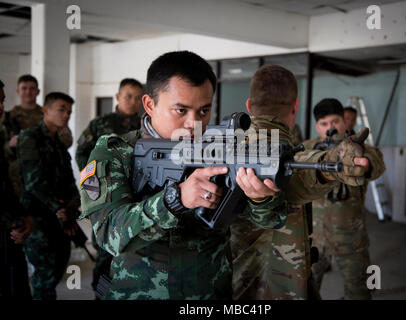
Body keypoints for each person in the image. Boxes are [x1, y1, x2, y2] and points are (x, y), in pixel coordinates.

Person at [79, 51, 289, 300]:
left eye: (203, 111)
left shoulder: (220, 148)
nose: (194, 123)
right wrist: (174, 200)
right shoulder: (116, 151)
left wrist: (260, 199)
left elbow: (270, 221)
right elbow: (107, 235)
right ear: (149, 104)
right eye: (181, 110)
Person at [230, 65, 373, 300]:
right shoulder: (289, 154)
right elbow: (303, 168)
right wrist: (336, 163)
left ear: (248, 106)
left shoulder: (226, 149)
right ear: (296, 106)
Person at [304, 98, 385, 300]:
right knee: (304, 292)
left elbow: (376, 164)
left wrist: (363, 165)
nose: (330, 128)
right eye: (324, 124)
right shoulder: (308, 149)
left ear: (344, 122)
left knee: (362, 291)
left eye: (335, 122)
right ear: (317, 127)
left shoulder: (360, 147)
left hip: (352, 239)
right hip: (314, 240)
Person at [75, 78, 143, 293]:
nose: (132, 101)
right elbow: (82, 153)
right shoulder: (100, 124)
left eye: (137, 97)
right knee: (106, 251)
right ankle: (100, 293)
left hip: (135, 193)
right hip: (106, 196)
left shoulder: (146, 125)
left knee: (133, 249)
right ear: (118, 97)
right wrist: (94, 182)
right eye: (128, 96)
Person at [17, 92, 81, 300]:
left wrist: (72, 205)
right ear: (46, 110)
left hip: (60, 219)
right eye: (61, 109)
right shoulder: (30, 137)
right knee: (44, 275)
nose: (66, 115)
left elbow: (71, 182)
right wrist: (57, 207)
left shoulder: (60, 146)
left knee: (59, 266)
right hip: (38, 217)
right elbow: (33, 181)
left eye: (69, 112)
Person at [3, 75, 73, 198]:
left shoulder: (50, 114)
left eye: (32, 88)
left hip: (48, 175)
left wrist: (38, 144)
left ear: (38, 91)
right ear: (18, 91)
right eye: (24, 88)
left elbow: (66, 140)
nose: (28, 92)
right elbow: (2, 149)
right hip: (16, 180)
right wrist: (10, 144)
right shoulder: (8, 117)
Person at [0, 79, 33, 298]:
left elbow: (5, 187)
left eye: (1, 101)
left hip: (8, 237)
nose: (0, 107)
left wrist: (22, 218)